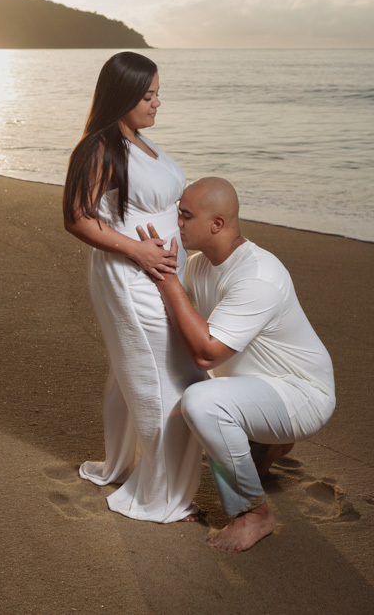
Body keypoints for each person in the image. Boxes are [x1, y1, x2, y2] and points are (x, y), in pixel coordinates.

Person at [137, 176, 335, 550]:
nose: (177, 222)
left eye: (185, 216)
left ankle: (254, 514)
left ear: (217, 224)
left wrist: (168, 283)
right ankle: (266, 446)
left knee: (200, 403)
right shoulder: (199, 266)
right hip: (259, 387)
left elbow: (207, 352)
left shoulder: (257, 275)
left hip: (303, 393)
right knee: (194, 389)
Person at [63, 52, 204, 523]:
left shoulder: (142, 143)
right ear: (122, 95)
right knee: (159, 374)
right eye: (147, 95)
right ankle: (160, 492)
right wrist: (139, 252)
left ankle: (123, 465)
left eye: (158, 93)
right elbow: (77, 219)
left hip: (165, 273)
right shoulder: (99, 148)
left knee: (135, 368)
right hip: (130, 273)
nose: (157, 103)